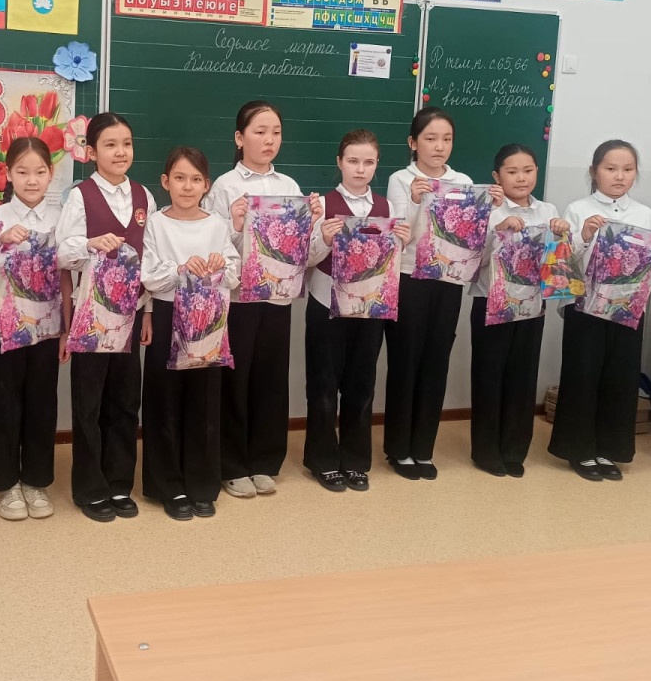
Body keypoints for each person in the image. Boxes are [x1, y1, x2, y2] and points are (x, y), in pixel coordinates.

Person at [205, 101, 321, 498]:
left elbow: (304, 252)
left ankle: (264, 460)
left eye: (276, 132)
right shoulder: (224, 187)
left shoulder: (289, 187)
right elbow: (212, 245)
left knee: (270, 379)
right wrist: (235, 224)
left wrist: (314, 224)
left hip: (278, 299)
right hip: (239, 300)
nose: (269, 139)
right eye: (259, 131)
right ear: (240, 138)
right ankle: (232, 464)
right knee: (235, 380)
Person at [549, 140, 651, 480]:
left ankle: (608, 450)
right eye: (611, 169)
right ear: (594, 172)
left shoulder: (645, 214)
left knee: (620, 378)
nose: (619, 176)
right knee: (583, 375)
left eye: (627, 169)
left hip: (627, 308)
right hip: (585, 307)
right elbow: (563, 264)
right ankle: (580, 450)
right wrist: (584, 235)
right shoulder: (578, 208)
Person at [385, 107, 503, 480]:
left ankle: (423, 448)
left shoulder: (463, 181)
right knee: (406, 361)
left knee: (436, 362)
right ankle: (398, 450)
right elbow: (401, 238)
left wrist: (490, 210)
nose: (439, 146)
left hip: (449, 280)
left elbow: (470, 237)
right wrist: (415, 201)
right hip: (410, 278)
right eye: (431, 138)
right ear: (413, 143)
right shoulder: (401, 179)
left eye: (446, 139)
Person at [56, 113, 154, 523]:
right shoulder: (80, 195)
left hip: (131, 313)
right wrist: (89, 243)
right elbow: (62, 253)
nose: (120, 152)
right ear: (92, 152)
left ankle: (118, 484)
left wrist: (148, 310)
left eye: (126, 143)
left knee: (125, 402)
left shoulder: (144, 195)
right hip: (91, 316)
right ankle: (90, 488)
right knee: (89, 404)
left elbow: (152, 258)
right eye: (110, 145)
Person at [304, 130, 409, 492]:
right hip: (326, 304)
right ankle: (323, 460)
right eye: (353, 161)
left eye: (368, 162)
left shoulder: (387, 207)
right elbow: (306, 258)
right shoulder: (322, 204)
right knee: (323, 384)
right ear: (339, 162)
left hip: (370, 307)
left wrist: (401, 242)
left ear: (377, 165)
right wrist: (325, 239)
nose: (360, 169)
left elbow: (390, 261)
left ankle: (355, 460)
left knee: (361, 385)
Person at [142, 146, 240, 520]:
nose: (187, 186)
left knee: (204, 402)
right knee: (164, 400)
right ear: (166, 182)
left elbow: (235, 273)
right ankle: (169, 486)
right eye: (180, 178)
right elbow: (149, 276)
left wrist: (220, 265)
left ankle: (201, 484)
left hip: (208, 317)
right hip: (168, 314)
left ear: (206, 185)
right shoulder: (156, 223)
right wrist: (180, 268)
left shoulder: (216, 224)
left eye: (196, 179)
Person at [0, 136, 71, 521]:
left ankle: (36, 481)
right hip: (4, 332)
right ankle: (6, 485)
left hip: (48, 330)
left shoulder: (61, 218)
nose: (31, 180)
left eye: (39, 172)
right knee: (4, 404)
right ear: (8, 174)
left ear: (51, 174)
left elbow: (67, 277)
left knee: (42, 405)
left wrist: (67, 328)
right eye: (22, 172)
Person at [467, 145, 567, 478]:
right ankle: (486, 451)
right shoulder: (488, 208)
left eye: (528, 170)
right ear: (497, 177)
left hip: (532, 306)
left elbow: (557, 265)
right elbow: (473, 261)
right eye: (512, 172)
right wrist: (499, 230)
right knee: (489, 376)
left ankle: (514, 450)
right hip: (491, 303)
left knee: (523, 378)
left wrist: (561, 236)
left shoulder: (548, 210)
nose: (521, 178)